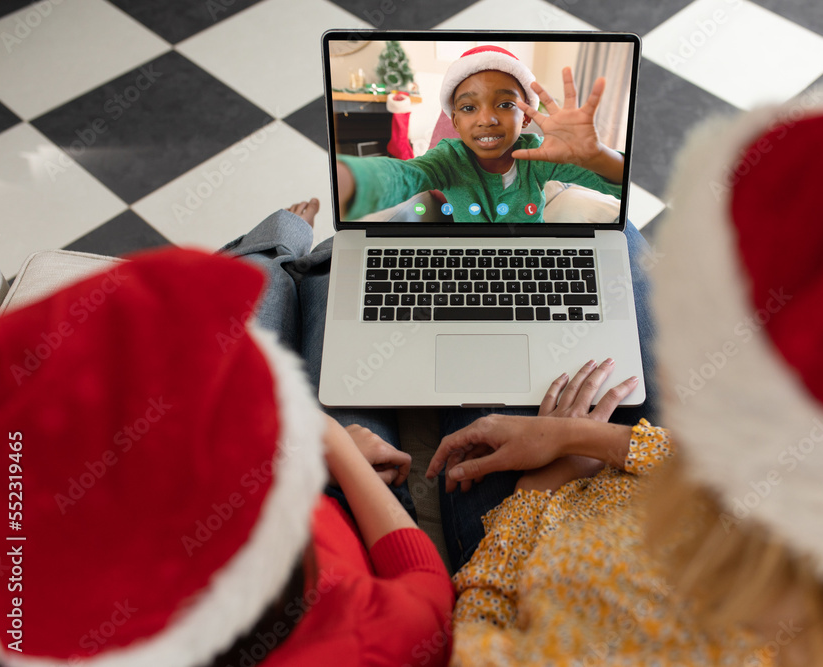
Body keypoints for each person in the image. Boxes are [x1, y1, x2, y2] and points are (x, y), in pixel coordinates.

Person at [426, 97, 823, 665]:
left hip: (535, 529)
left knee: (393, 281)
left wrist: (537, 490)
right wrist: (579, 438)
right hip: (618, 472)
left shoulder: (588, 584)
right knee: (608, 228)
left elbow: (476, 642)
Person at [0, 248, 453, 667]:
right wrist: (328, 437)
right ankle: (298, 246)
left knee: (279, 280)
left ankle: (286, 241)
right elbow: (426, 585)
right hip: (343, 498)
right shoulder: (366, 639)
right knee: (331, 283)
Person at [220, 193, 660, 575]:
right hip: (634, 486)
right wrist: (583, 439)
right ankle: (307, 247)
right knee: (615, 232)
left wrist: (550, 479)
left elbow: (481, 595)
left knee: (274, 286)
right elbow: (711, 468)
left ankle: (292, 244)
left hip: (500, 531)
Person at [335, 45, 625, 222]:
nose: (487, 119)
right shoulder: (448, 158)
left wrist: (595, 155)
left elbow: (619, 183)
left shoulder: (537, 154)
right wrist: (354, 177)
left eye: (505, 104)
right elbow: (405, 175)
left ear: (524, 118)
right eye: (469, 107)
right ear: (456, 122)